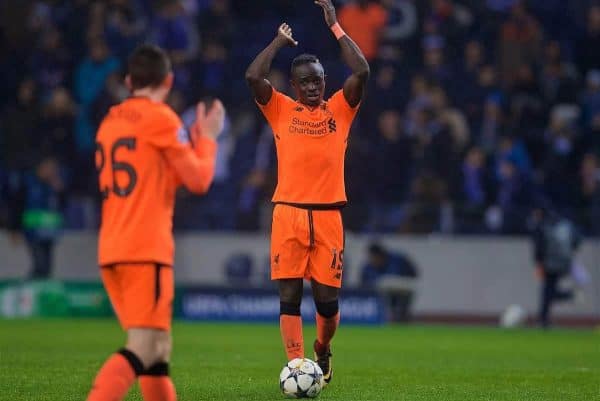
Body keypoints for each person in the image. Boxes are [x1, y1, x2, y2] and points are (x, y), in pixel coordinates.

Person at [86, 44, 225, 401]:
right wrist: (207, 139)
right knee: (145, 347)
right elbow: (198, 181)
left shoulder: (110, 121)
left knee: (158, 352)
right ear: (168, 80)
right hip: (145, 249)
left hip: (112, 249)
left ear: (130, 81)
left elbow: (159, 175)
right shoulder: (161, 118)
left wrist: (188, 142)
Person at [245, 0, 369, 386]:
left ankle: (321, 348)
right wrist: (278, 43)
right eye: (306, 82)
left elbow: (362, 70)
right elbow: (253, 76)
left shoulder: (340, 109)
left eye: (318, 79)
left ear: (324, 80)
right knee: (289, 296)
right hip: (289, 213)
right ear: (294, 86)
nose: (314, 86)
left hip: (329, 216)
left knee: (328, 304)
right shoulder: (280, 109)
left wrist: (335, 26)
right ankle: (298, 366)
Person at [531, 208, 582, 328]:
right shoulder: (565, 225)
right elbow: (577, 240)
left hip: (549, 263)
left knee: (548, 292)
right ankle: (544, 319)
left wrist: (539, 264)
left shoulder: (543, 226)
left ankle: (570, 295)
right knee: (548, 291)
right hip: (563, 262)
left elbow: (539, 247)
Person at [361, 242, 419, 322]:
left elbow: (414, 274)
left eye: (374, 257)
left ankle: (403, 318)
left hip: (403, 290)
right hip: (382, 294)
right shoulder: (368, 266)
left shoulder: (398, 260)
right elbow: (364, 283)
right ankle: (391, 318)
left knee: (401, 309)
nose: (373, 260)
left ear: (380, 255)